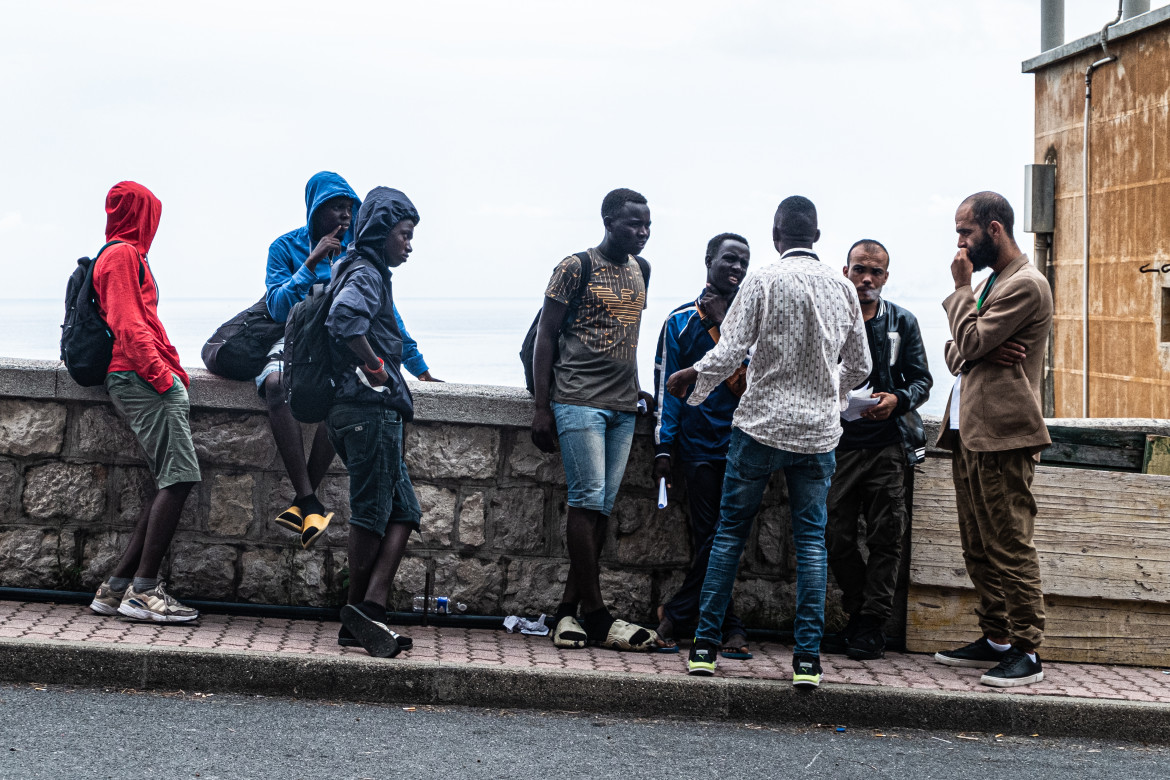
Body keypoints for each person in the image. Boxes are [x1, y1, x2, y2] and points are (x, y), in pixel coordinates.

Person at [666, 196, 871, 688]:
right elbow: (861, 365)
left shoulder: (761, 279)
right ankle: (806, 661)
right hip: (817, 436)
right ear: (816, 237)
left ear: (777, 236)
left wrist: (694, 380)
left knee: (728, 534)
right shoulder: (843, 288)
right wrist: (831, 393)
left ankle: (704, 648)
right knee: (811, 544)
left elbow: (730, 349)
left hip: (758, 428)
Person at [260, 172, 440, 550]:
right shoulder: (286, 247)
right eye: (335, 207)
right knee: (276, 385)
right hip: (293, 343)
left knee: (340, 395)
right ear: (315, 211)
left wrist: (419, 368)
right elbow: (277, 307)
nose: (344, 216)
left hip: (334, 354)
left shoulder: (359, 256)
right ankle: (306, 497)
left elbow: (389, 321)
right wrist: (310, 264)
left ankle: (305, 504)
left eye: (349, 208)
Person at [932, 192, 1053, 687]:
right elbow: (956, 350)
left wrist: (964, 300)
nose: (960, 243)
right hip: (970, 432)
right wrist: (975, 343)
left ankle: (1027, 650)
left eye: (966, 233)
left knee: (1009, 543)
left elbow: (971, 342)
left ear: (995, 229)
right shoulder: (993, 284)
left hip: (1004, 434)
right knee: (977, 545)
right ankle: (996, 638)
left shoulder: (1025, 285)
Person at [531, 188, 659, 652]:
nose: (642, 233)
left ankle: (569, 613)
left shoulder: (641, 270)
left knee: (601, 506)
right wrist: (542, 406)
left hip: (624, 406)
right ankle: (599, 615)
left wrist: (638, 384)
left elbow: (628, 336)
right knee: (585, 500)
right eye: (632, 224)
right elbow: (545, 336)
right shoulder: (574, 267)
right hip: (578, 399)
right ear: (608, 220)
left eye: (647, 225)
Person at [87, 181, 202, 623]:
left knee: (168, 481)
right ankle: (144, 592)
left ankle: (114, 588)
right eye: (152, 214)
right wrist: (163, 378)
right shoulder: (121, 255)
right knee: (180, 478)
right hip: (140, 378)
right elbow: (129, 325)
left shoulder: (122, 254)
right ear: (142, 214)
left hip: (140, 376)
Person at [326, 186, 425, 658]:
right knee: (371, 512)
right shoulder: (364, 272)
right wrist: (376, 368)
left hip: (365, 411)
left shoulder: (361, 269)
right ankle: (356, 616)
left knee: (404, 510)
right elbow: (345, 320)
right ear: (382, 232)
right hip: (367, 411)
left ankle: (370, 611)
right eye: (404, 234)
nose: (409, 244)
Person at [825, 239, 932, 660]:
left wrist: (897, 400)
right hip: (839, 446)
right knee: (835, 535)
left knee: (888, 537)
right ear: (845, 270)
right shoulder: (830, 319)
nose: (866, 278)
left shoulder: (902, 322)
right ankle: (857, 611)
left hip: (888, 446)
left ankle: (871, 623)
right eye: (859, 270)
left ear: (886, 277)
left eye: (876, 272)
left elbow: (921, 380)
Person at [652, 232, 751, 657]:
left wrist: (724, 322)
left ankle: (676, 613)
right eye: (730, 259)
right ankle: (728, 626)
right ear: (709, 260)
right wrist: (663, 448)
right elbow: (665, 392)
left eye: (744, 262)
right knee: (713, 535)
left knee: (726, 534)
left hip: (746, 443)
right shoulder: (678, 321)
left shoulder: (752, 324)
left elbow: (753, 381)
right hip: (697, 446)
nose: (738, 268)